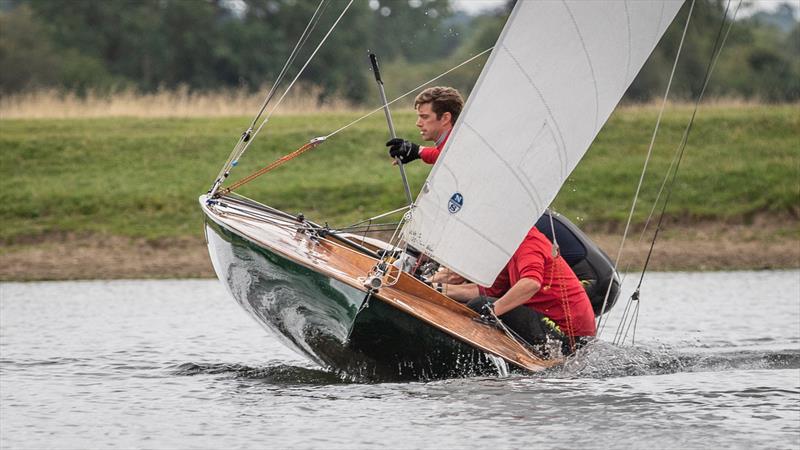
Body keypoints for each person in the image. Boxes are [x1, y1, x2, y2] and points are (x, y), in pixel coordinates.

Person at [435, 226, 596, 357]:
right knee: (480, 302)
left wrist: (491, 312)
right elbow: (487, 290)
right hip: (556, 327)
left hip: (569, 337)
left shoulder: (528, 242)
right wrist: (438, 288)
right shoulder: (510, 246)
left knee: (481, 305)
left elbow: (531, 283)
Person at [386, 86, 464, 165]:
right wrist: (418, 151)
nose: (418, 123)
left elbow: (450, 157)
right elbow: (441, 155)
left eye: (425, 117)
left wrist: (418, 151)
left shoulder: (460, 149)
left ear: (445, 118)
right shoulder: (455, 144)